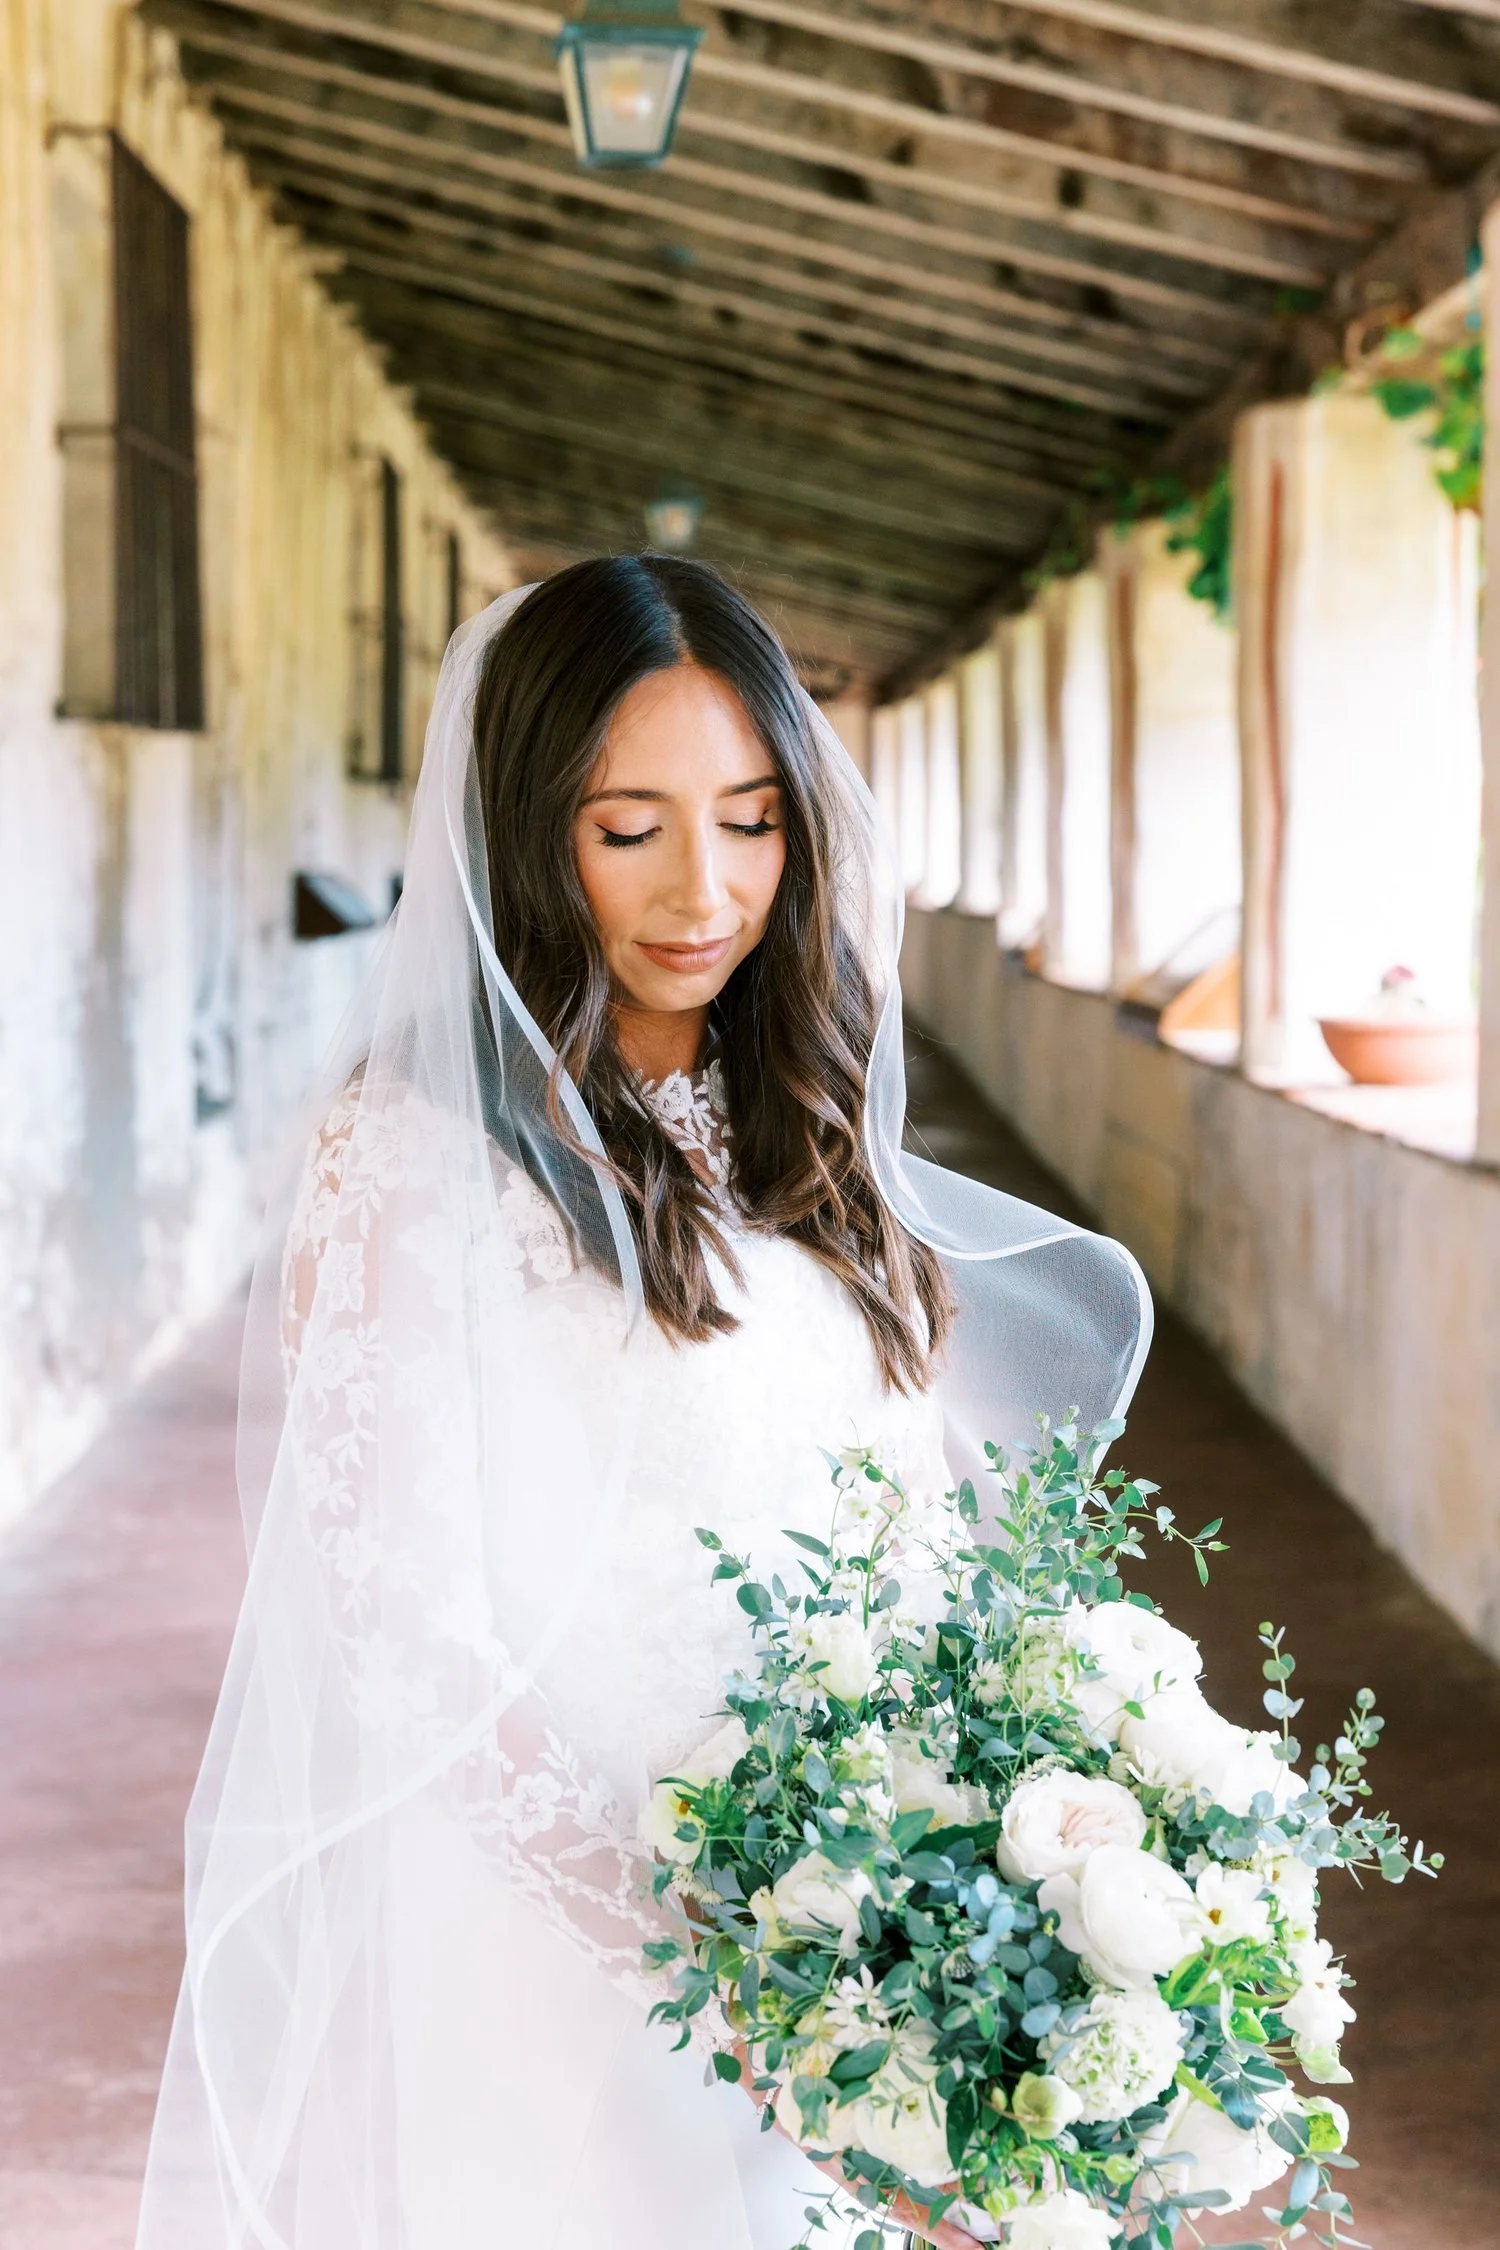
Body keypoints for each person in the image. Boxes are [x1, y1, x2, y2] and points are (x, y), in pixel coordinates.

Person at [135, 558, 1150, 2250]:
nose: (708, 887)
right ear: (527, 834)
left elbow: (902, 1510)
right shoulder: (411, 1158)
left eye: (753, 819)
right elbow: (398, 1627)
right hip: (577, 1940)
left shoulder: (803, 1122)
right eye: (631, 829)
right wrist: (708, 1964)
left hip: (859, 1918)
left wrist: (982, 1860)